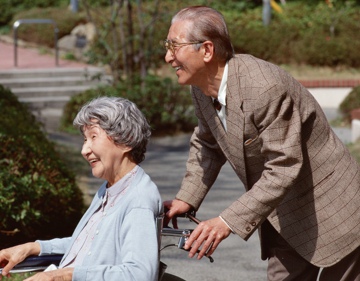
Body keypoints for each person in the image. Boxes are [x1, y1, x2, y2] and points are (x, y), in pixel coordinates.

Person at [162, 6, 360, 281]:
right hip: (284, 217)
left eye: (174, 46)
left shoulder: (264, 87)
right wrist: (187, 197)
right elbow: (208, 143)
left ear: (207, 50)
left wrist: (226, 222)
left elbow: (284, 166)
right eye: (167, 46)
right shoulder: (201, 88)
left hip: (335, 212)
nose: (167, 56)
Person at [0, 96, 162, 281]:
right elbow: (90, 246)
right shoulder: (109, 189)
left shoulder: (138, 199)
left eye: (93, 137)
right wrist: (33, 248)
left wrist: (64, 275)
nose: (84, 150)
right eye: (85, 139)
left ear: (127, 140)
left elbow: (140, 275)